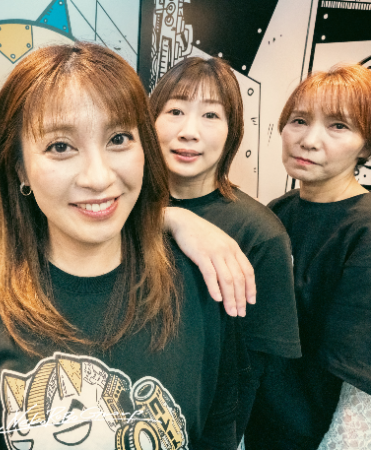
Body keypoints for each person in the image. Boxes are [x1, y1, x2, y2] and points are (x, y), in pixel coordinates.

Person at [0, 41, 242, 450]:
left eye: (119, 138)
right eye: (60, 147)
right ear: (20, 168)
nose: (98, 177)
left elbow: (219, 427)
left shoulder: (202, 285)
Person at [150, 56, 301, 440]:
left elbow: (248, 376)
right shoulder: (116, 209)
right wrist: (170, 217)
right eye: (175, 111)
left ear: (233, 131)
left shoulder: (261, 235)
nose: (189, 132)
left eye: (210, 115)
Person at [245, 63, 371, 449]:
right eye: (299, 120)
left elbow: (357, 392)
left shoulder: (363, 230)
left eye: (338, 126)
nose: (309, 140)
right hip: (257, 429)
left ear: (366, 146)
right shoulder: (278, 211)